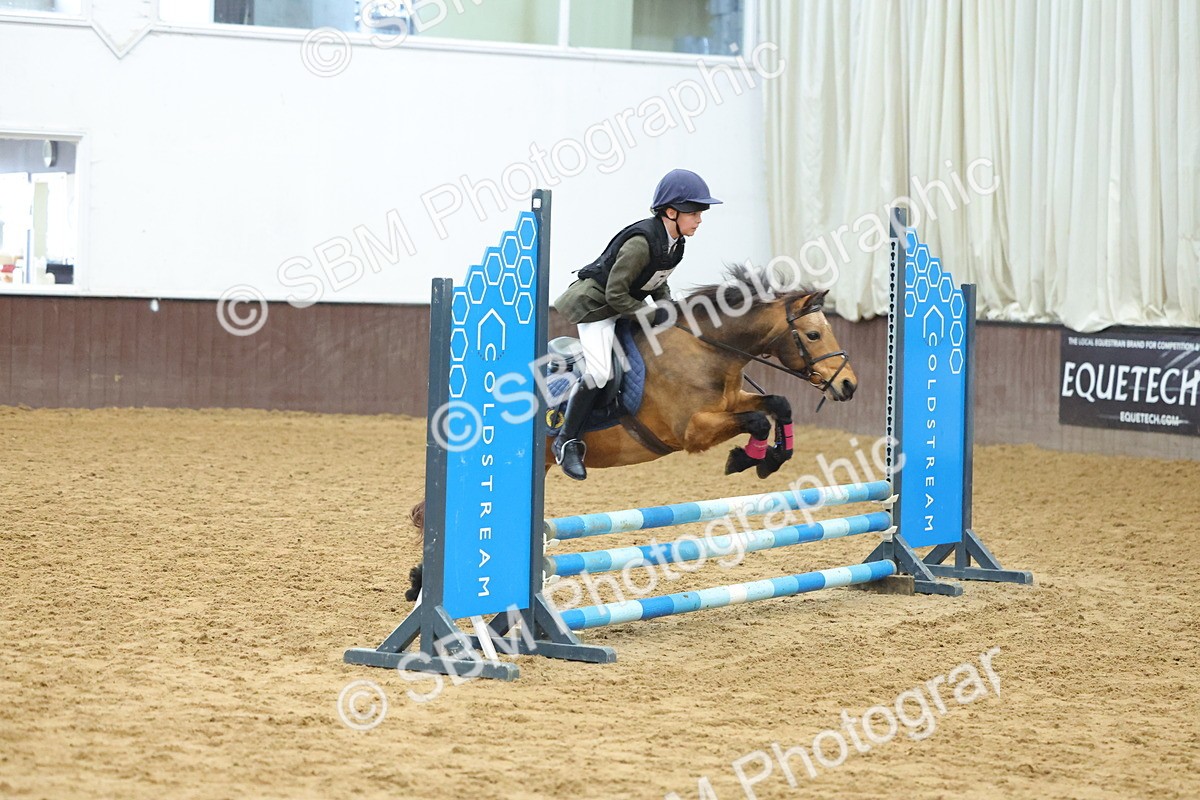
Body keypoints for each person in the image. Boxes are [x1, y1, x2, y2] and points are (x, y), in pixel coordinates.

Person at [550, 168, 722, 480]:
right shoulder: (641, 243)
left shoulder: (676, 244)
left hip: (624, 306)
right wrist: (652, 315)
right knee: (600, 372)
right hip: (596, 308)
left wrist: (670, 309)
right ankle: (567, 441)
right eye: (694, 213)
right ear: (671, 212)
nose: (699, 220)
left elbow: (656, 282)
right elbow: (615, 294)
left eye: (700, 214)